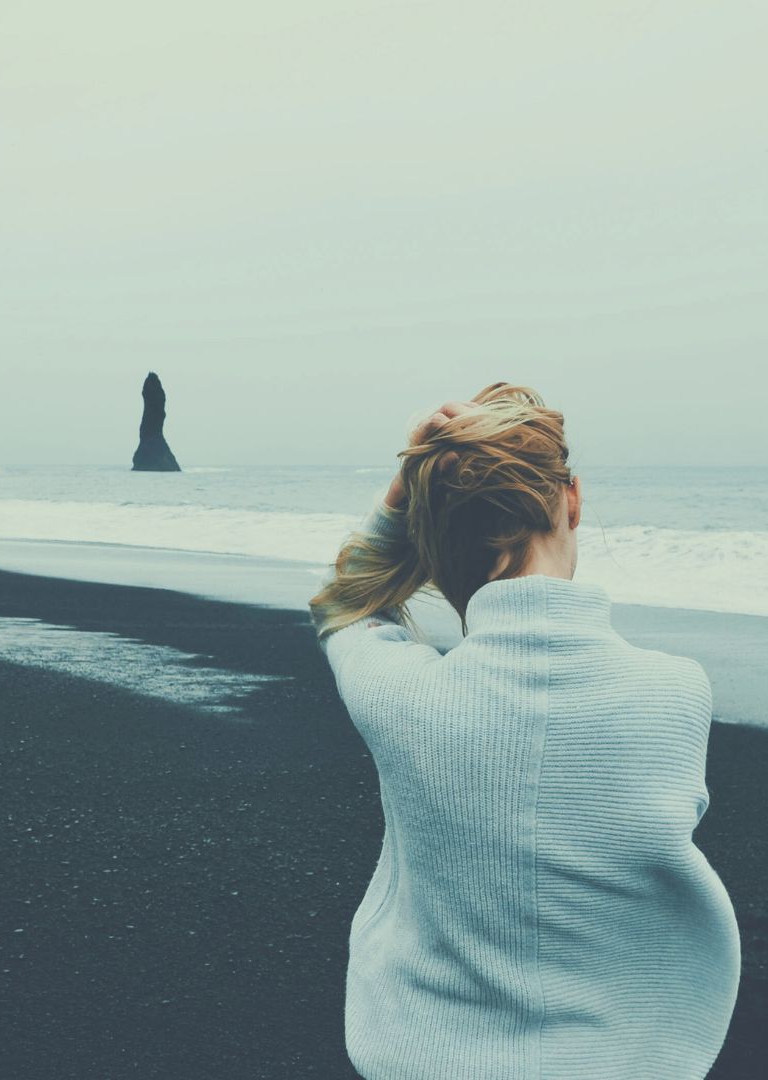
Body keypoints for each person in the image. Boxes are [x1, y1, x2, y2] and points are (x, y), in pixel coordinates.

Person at [308, 382, 740, 1079]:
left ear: (437, 528)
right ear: (572, 497)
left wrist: (403, 497)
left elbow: (343, 602)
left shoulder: (400, 695)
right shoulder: (674, 692)